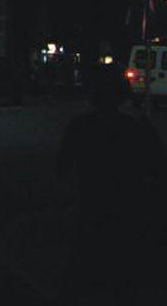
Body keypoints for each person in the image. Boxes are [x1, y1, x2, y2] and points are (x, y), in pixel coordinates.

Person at [56, 66, 167, 304]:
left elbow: (61, 167)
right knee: (124, 276)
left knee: (80, 271)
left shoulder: (82, 126)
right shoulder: (135, 127)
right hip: (127, 208)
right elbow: (158, 166)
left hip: (93, 205)